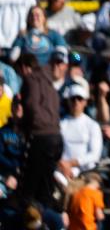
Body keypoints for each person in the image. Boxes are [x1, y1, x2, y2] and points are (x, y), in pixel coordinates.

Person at [17, 52, 63, 208]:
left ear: (24, 68)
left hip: (40, 137)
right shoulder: (50, 82)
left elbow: (30, 106)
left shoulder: (31, 79)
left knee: (28, 190)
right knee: (46, 188)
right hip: (56, 137)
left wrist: (24, 126)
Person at [59, 83, 103, 179]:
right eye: (73, 99)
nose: (76, 102)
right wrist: (63, 165)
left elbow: (95, 155)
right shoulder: (60, 124)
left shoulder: (93, 125)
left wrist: (71, 163)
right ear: (68, 101)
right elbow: (55, 150)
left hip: (88, 172)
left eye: (80, 98)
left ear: (85, 102)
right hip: (63, 171)